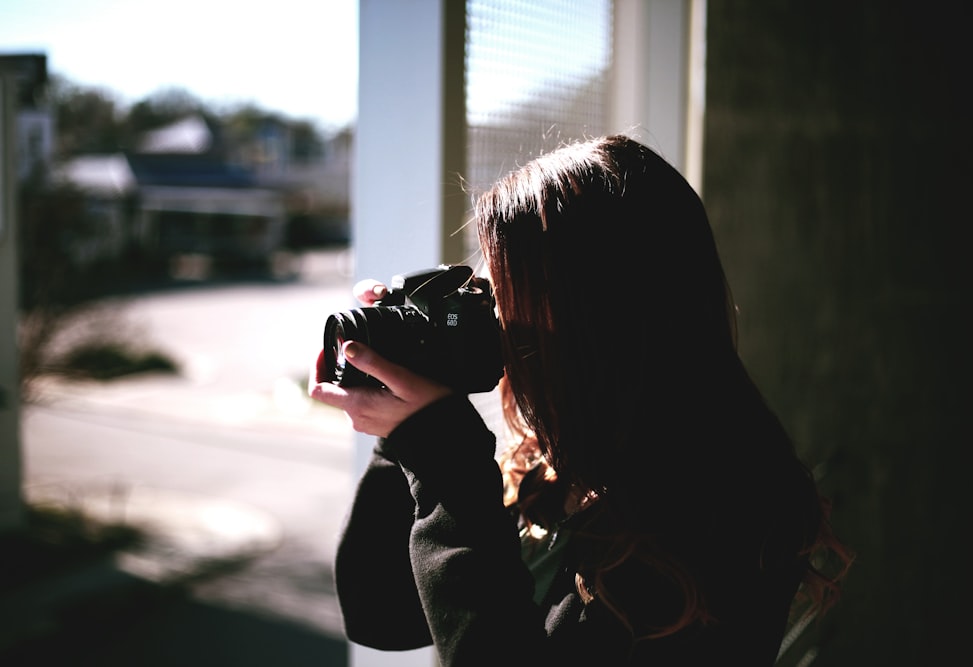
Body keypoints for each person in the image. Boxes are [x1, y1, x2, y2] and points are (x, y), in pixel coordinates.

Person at [309, 134, 852, 666]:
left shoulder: (726, 508)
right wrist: (401, 428)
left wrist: (442, 454)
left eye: (504, 295)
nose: (491, 319)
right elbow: (380, 616)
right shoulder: (561, 463)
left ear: (592, 313)